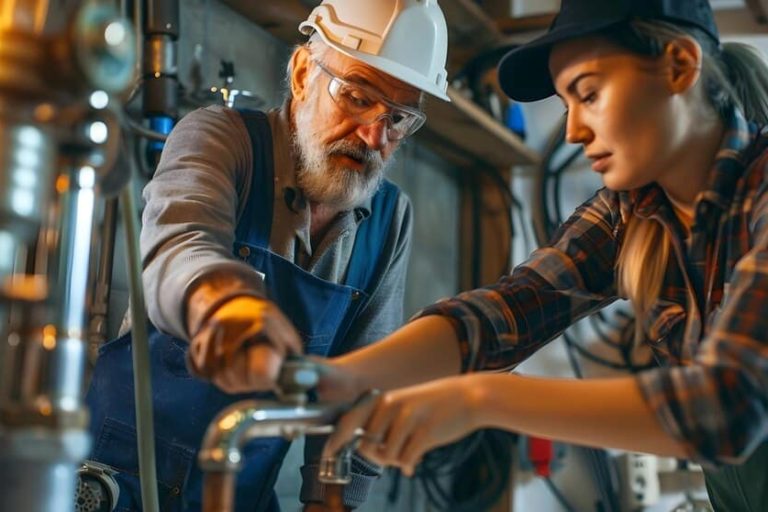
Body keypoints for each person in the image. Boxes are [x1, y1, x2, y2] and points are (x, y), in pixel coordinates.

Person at [317, 1, 768, 510]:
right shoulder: (633, 210)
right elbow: (508, 311)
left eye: (590, 94)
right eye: (566, 105)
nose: (574, 131)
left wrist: (481, 399)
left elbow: (727, 407)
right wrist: (341, 378)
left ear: (680, 66)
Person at [84, 0, 451, 510]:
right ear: (303, 73)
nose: (373, 136)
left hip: (239, 493)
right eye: (356, 96)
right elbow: (180, 243)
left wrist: (330, 501)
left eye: (398, 119)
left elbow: (363, 386)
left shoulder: (390, 219)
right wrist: (230, 306)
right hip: (120, 476)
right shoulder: (221, 138)